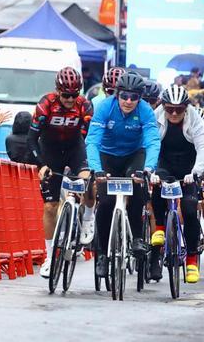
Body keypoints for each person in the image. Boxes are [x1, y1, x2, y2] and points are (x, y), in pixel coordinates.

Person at [86, 72, 161, 279]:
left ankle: (137, 238)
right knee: (107, 202)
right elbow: (92, 141)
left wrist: (147, 168)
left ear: (140, 98)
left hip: (133, 156)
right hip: (107, 156)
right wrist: (95, 168)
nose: (129, 101)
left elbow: (152, 141)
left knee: (137, 190)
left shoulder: (145, 111)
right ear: (117, 94)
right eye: (124, 96)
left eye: (134, 97)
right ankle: (101, 253)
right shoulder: (104, 107)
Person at [29, 67, 93, 278]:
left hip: (75, 149)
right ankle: (50, 257)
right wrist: (41, 165)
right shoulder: (46, 103)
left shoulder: (84, 105)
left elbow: (90, 137)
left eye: (74, 94)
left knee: (87, 181)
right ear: (57, 91)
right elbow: (31, 139)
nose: (70, 99)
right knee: (50, 207)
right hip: (50, 152)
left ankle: (86, 220)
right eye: (66, 95)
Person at [149, 84, 204, 284]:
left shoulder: (194, 118)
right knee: (158, 186)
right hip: (164, 163)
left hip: (188, 167)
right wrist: (150, 171)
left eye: (179, 109)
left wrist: (195, 173)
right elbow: (148, 143)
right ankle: (160, 226)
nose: (174, 113)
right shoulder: (156, 116)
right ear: (163, 106)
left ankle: (192, 260)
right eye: (169, 109)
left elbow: (203, 146)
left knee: (188, 207)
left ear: (186, 107)